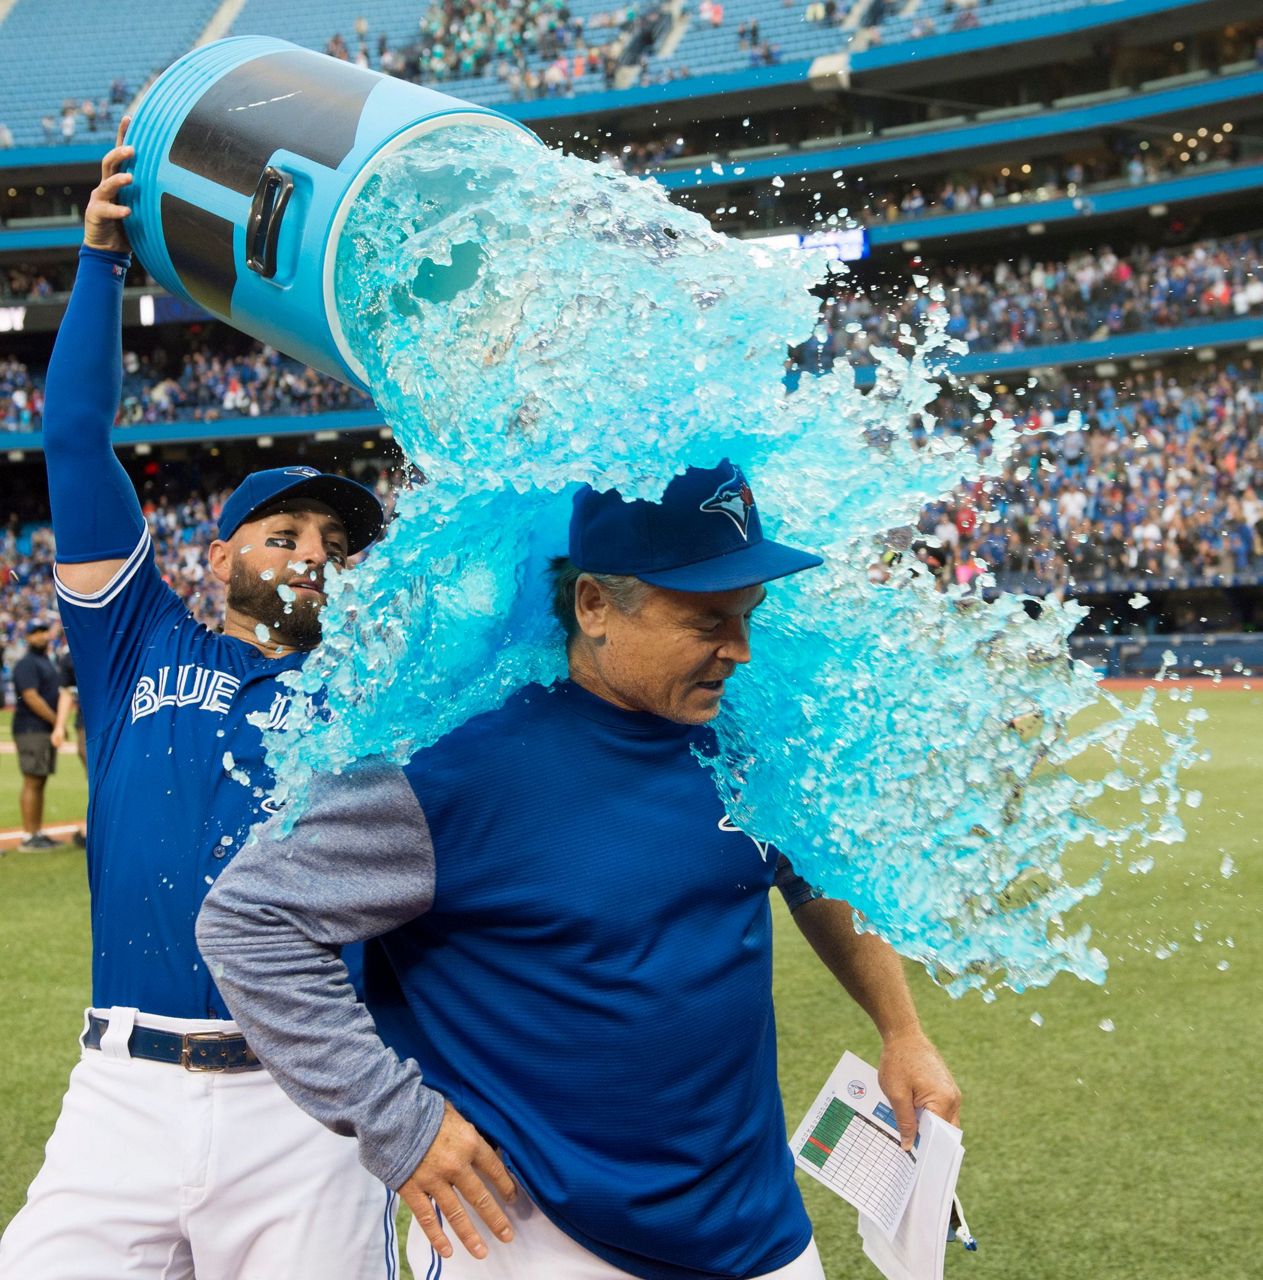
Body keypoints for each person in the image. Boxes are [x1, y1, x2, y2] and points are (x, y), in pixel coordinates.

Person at [198, 461, 963, 1280]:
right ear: (594, 604)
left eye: (748, 615)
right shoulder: (453, 770)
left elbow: (809, 869)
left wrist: (901, 1029)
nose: (738, 651)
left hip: (762, 1236)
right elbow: (248, 921)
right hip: (532, 1239)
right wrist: (399, 1123)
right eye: (706, 619)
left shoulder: (741, 742)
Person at [0, 120, 397, 1279]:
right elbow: (74, 438)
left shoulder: (373, 693)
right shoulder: (135, 638)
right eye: (284, 534)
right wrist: (102, 263)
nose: (314, 555)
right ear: (215, 556)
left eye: (335, 543)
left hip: (308, 1100)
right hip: (122, 1088)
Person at [11, 618, 61, 851]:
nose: (41, 636)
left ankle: (37, 831)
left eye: (44, 631)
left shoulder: (45, 661)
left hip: (41, 728)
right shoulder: (27, 663)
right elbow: (31, 696)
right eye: (36, 632)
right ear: (28, 637)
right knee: (32, 780)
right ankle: (29, 836)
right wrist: (56, 720)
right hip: (31, 728)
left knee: (39, 780)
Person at [50, 646, 86, 847]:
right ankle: (96, 826)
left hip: (126, 720)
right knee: (96, 777)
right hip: (89, 724)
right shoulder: (71, 654)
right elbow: (67, 692)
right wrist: (59, 726)